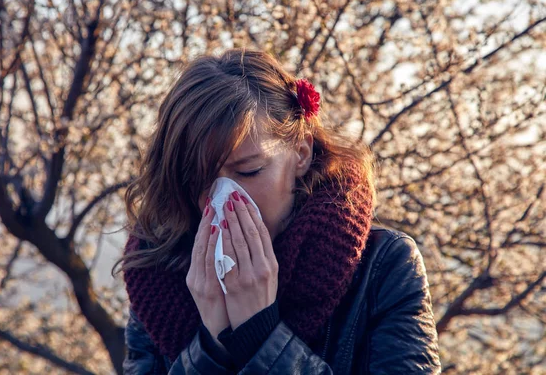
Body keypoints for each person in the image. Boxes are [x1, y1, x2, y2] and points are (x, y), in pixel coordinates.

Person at [113, 48, 441, 374]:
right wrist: (212, 347)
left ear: (301, 153)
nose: (223, 199)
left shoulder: (383, 267)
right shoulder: (156, 274)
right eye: (200, 180)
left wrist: (260, 336)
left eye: (249, 171)